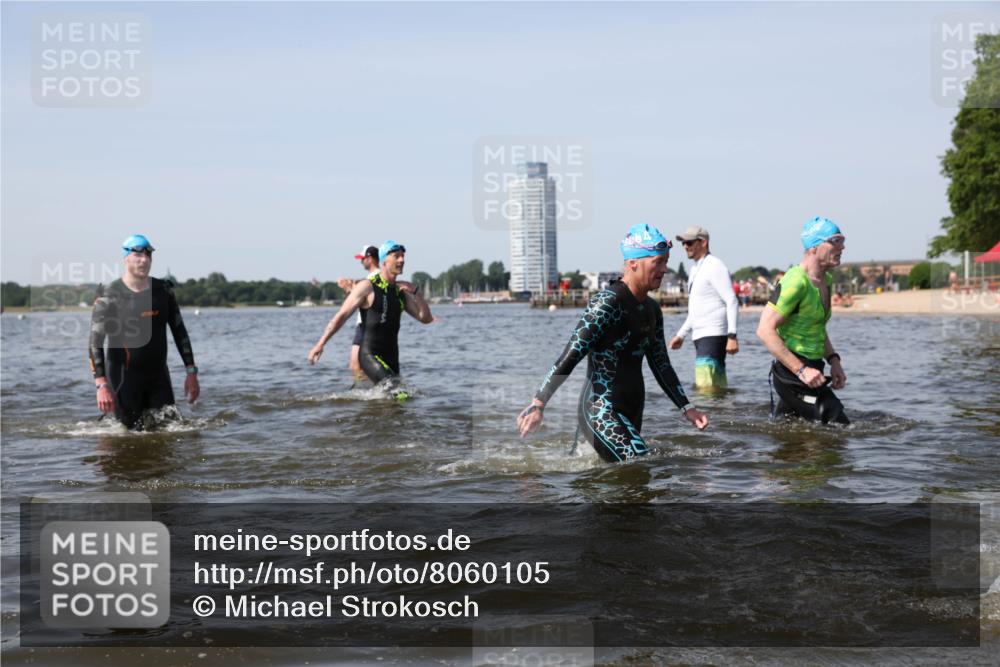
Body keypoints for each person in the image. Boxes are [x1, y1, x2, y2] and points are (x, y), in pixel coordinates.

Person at [517, 223, 709, 462]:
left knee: (602, 482)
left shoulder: (651, 310)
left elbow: (661, 364)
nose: (665, 269)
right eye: (658, 262)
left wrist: (686, 407)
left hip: (632, 409)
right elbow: (571, 354)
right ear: (633, 263)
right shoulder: (607, 303)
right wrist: (539, 403)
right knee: (639, 465)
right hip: (601, 410)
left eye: (666, 261)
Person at [89, 234, 200, 430]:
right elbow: (95, 341)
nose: (144, 260)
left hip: (159, 380)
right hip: (123, 381)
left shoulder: (163, 291)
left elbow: (180, 332)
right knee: (124, 438)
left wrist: (191, 372)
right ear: (125, 259)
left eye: (148, 256)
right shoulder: (109, 294)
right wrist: (101, 384)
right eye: (138, 255)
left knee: (170, 435)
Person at [756, 216, 848, 424]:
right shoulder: (795, 281)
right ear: (814, 247)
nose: (842, 246)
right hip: (792, 374)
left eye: (842, 240)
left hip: (814, 368)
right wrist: (801, 370)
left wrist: (834, 361)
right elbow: (764, 330)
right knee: (835, 420)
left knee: (788, 431)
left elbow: (816, 327)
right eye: (835, 241)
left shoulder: (827, 280)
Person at [308, 240, 433, 392]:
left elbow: (425, 318)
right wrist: (320, 344)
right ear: (384, 260)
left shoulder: (401, 292)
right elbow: (341, 316)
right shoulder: (367, 287)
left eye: (403, 256)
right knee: (399, 394)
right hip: (370, 354)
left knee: (392, 401)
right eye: (396, 256)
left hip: (392, 357)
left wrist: (417, 293)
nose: (402, 260)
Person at [668, 226, 739, 390]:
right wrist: (681, 335)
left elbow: (732, 300)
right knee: (714, 389)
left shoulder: (715, 266)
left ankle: (711, 414)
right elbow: (695, 311)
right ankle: (721, 414)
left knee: (705, 390)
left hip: (713, 334)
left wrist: (732, 336)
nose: (685, 246)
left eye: (689, 242)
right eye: (683, 243)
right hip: (700, 336)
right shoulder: (695, 269)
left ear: (703, 242)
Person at [341, 245, 380, 380]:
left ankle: (363, 391)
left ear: (370, 258)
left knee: (355, 364)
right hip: (374, 324)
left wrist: (349, 289)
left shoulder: (371, 279)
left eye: (362, 259)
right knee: (367, 364)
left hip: (365, 325)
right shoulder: (377, 277)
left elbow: (360, 299)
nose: (361, 262)